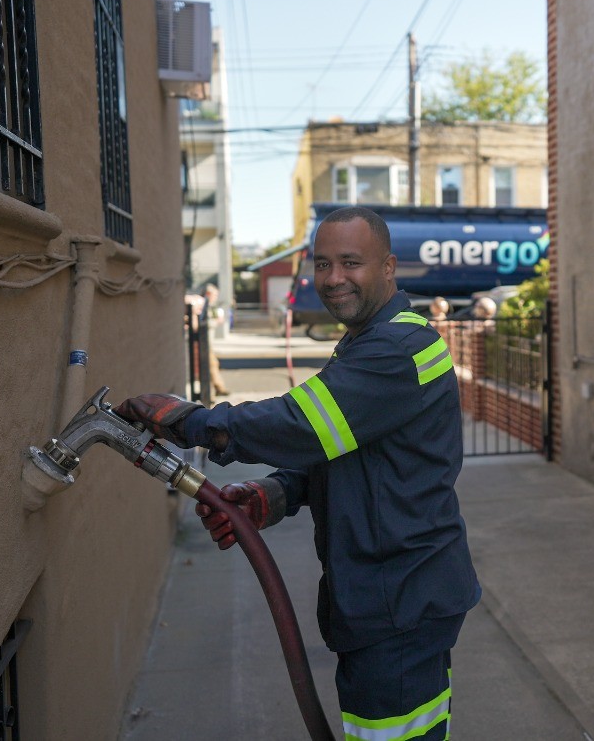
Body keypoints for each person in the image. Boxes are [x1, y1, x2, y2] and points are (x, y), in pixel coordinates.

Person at [115, 206, 481, 740]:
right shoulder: (369, 341)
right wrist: (278, 491)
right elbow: (349, 451)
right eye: (323, 264)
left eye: (350, 262)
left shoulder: (398, 347)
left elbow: (299, 426)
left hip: (399, 598)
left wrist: (193, 422)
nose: (333, 279)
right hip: (391, 593)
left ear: (388, 268)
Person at [199, 283, 230, 398]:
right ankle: (216, 390)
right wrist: (216, 321)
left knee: (212, 364)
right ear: (208, 294)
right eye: (215, 295)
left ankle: (217, 389)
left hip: (208, 343)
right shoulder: (202, 305)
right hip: (203, 343)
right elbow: (202, 324)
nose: (216, 298)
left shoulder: (210, 306)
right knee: (210, 365)